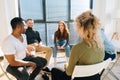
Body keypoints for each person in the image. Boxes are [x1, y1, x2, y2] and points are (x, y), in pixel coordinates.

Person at [51, 10, 105, 80]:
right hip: (95, 78)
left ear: (82, 28)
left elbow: (69, 73)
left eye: (77, 26)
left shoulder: (77, 48)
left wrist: (66, 66)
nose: (76, 29)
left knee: (54, 70)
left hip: (78, 78)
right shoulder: (101, 46)